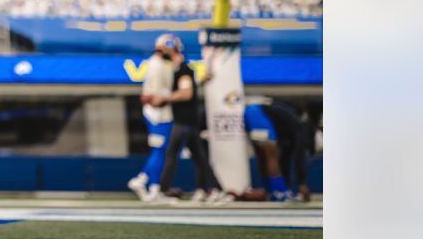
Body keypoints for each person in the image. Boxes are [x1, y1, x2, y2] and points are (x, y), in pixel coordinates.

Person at [144, 36, 228, 203]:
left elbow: (186, 93)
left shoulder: (182, 69)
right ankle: (213, 189)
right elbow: (190, 86)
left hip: (184, 121)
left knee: (171, 155)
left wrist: (164, 98)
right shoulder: (180, 71)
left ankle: (163, 189)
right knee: (199, 158)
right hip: (188, 121)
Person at [128, 34, 175, 202]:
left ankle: (148, 184)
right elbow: (155, 97)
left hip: (160, 113)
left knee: (161, 151)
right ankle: (148, 184)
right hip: (158, 114)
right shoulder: (157, 65)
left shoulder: (160, 64)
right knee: (160, 150)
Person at [244, 100, 314, 202]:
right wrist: (302, 184)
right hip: (258, 114)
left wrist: (288, 185)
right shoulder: (301, 131)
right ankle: (279, 192)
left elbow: (285, 161)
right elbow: (299, 158)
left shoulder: (289, 133)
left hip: (251, 113)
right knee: (271, 154)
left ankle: (271, 190)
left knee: (262, 155)